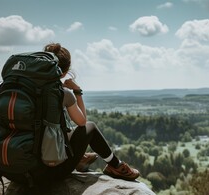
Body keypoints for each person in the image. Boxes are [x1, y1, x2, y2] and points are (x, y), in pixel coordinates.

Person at [43, 42, 140, 182]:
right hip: (48, 171)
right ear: (64, 71)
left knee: (61, 128)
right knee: (91, 127)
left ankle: (80, 159)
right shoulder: (61, 93)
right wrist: (77, 91)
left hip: (18, 169)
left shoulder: (26, 91)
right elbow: (82, 122)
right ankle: (115, 166)